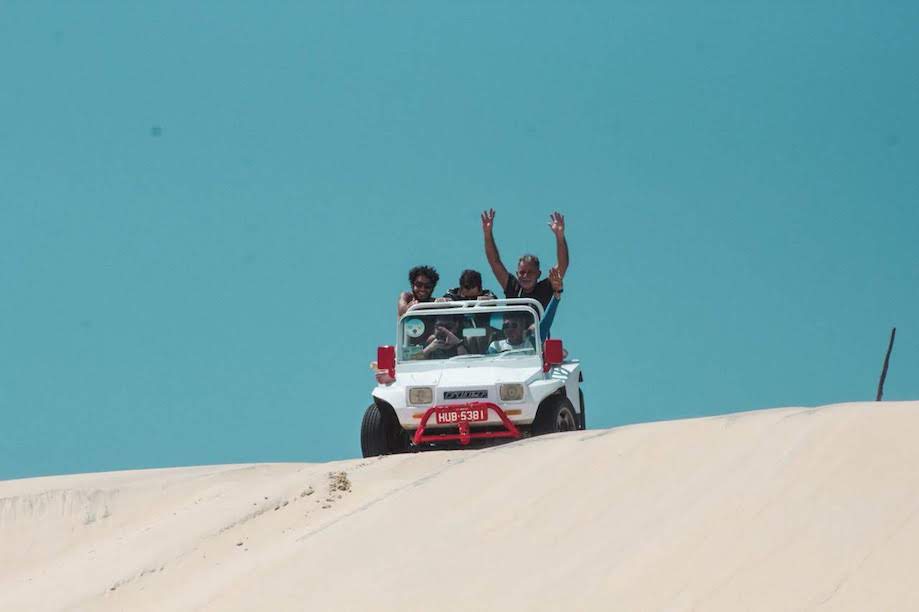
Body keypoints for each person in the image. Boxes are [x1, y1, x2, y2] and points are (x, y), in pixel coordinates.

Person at [480, 209, 569, 311]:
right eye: (522, 272)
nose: (525, 276)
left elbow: (563, 265)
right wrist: (487, 233)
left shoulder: (544, 288)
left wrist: (560, 236)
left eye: (530, 272)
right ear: (517, 274)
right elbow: (494, 262)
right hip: (511, 327)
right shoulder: (513, 287)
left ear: (538, 274)